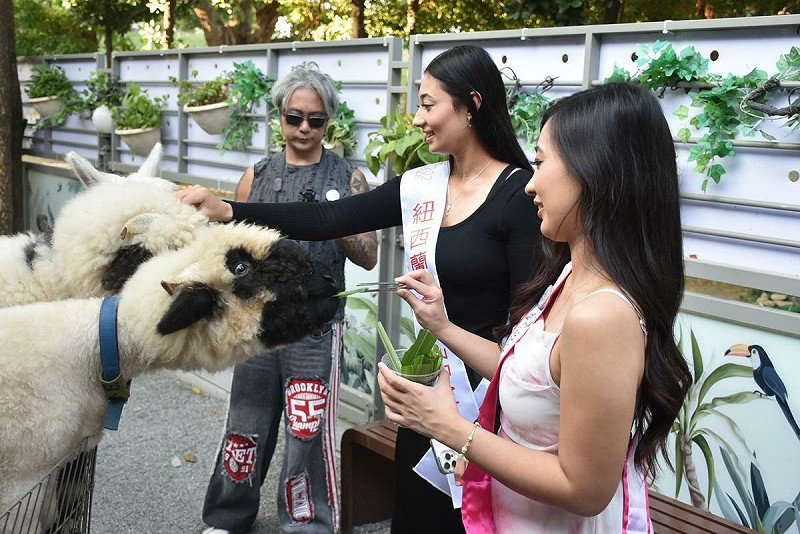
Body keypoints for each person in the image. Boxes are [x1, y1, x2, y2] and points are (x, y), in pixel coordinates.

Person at [178, 45, 541, 533]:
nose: (417, 118)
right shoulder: (422, 186)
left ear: (471, 105)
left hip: (488, 402)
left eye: (429, 105)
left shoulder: (520, 194)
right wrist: (228, 209)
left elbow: (529, 322)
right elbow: (328, 218)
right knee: (416, 517)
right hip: (428, 389)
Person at [378, 82, 693, 533]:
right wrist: (443, 325)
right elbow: (527, 374)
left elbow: (584, 489)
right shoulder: (570, 277)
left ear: (595, 171)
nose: (529, 183)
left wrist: (450, 427)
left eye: (541, 162)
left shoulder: (601, 316)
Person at [200, 62, 378, 534]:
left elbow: (369, 257)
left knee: (307, 433)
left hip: (315, 330)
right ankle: (227, 516)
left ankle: (305, 524)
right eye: (293, 117)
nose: (303, 128)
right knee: (245, 424)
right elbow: (230, 252)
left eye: (314, 119)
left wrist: (335, 221)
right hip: (256, 327)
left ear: (328, 121)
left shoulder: (349, 177)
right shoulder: (254, 176)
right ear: (279, 116)